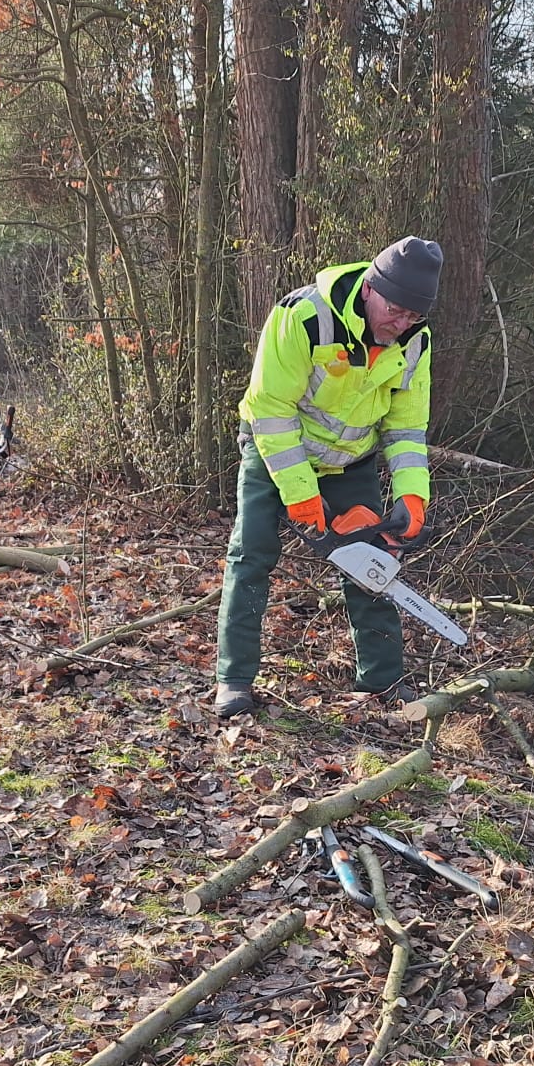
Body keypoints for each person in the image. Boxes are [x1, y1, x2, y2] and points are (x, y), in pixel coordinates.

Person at [213, 236, 443, 718]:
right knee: (251, 555)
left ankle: (382, 681)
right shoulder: (303, 317)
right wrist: (299, 494)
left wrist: (412, 496)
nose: (400, 324)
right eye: (395, 310)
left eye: (412, 316)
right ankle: (233, 681)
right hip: (274, 450)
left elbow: (404, 427)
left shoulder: (415, 342)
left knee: (375, 565)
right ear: (370, 289)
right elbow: (270, 409)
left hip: (351, 463)